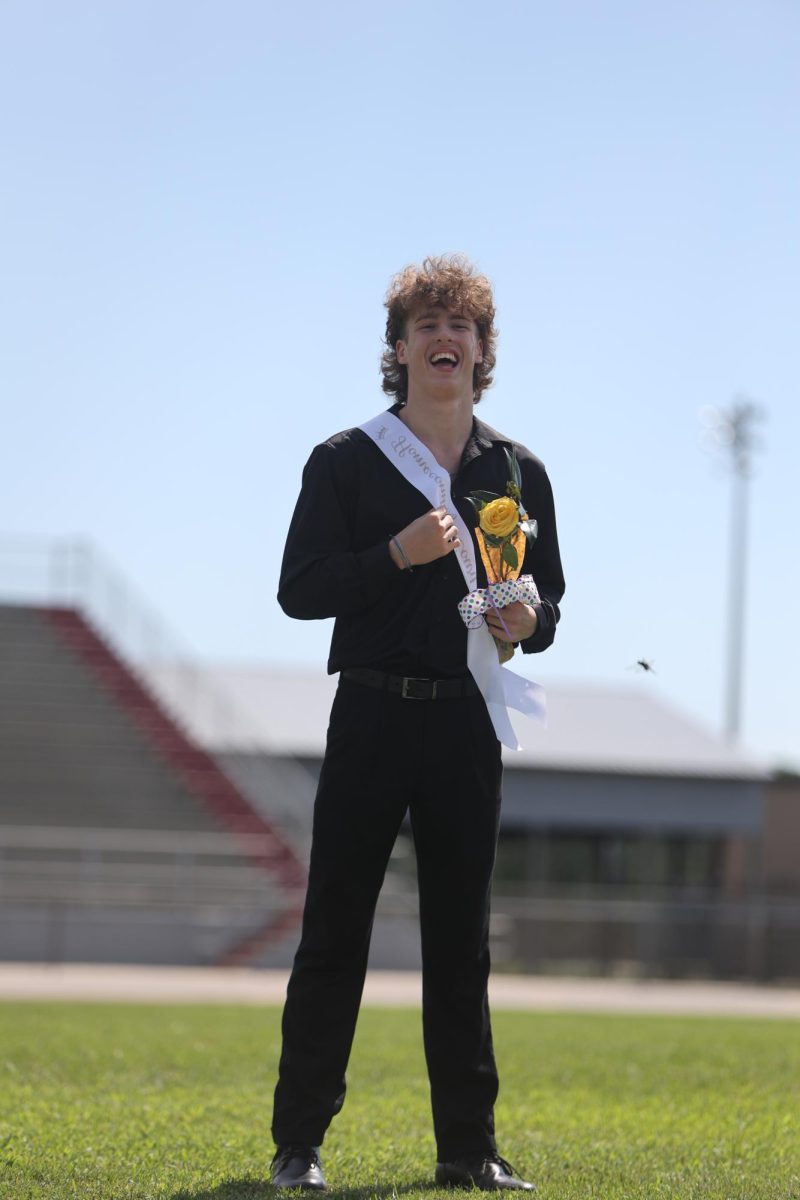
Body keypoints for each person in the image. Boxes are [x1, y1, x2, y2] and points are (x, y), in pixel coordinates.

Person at [270, 254, 565, 1192]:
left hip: (466, 724)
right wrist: (392, 555)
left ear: (484, 352)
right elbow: (299, 590)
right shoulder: (345, 460)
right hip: (369, 712)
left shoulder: (518, 469)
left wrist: (530, 621)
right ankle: (298, 1145)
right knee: (334, 934)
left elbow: (545, 602)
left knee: (460, 943)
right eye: (426, 325)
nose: (445, 338)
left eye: (462, 326)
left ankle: (467, 1151)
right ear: (397, 349)